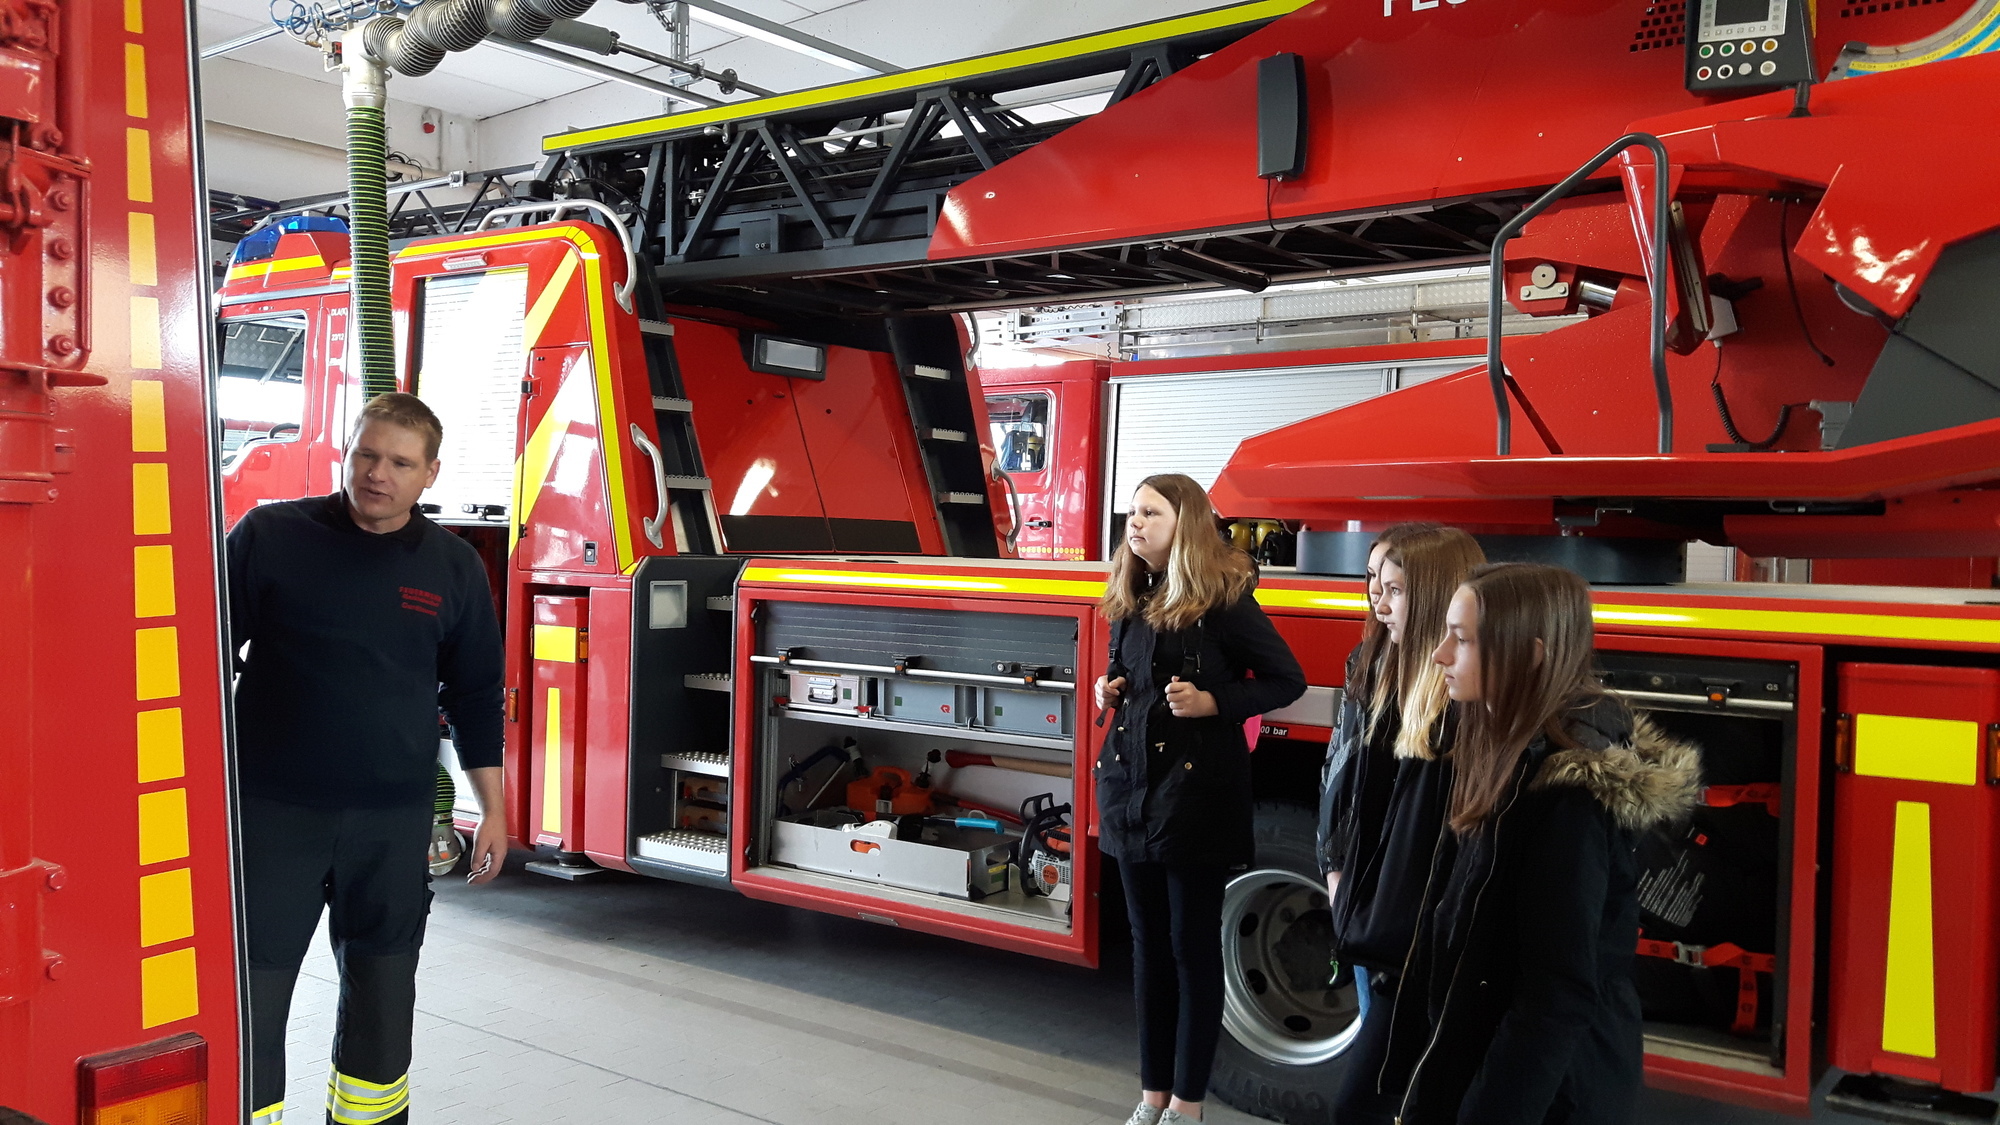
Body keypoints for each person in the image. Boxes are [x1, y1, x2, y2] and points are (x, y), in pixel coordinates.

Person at [228, 393, 508, 1125]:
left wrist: (496, 813)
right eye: (366, 453)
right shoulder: (269, 535)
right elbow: (197, 659)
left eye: (399, 462)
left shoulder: (452, 567)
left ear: (430, 474)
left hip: (390, 825)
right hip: (270, 815)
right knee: (249, 998)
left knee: (383, 1004)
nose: (377, 472)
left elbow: (476, 696)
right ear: (346, 451)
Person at [1381, 563, 1700, 1124]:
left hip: (1549, 1096)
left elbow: (1554, 997)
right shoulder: (1506, 748)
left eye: (1461, 639)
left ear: (1530, 655)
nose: (1439, 657)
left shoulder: (1567, 798)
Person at [1093, 474, 1307, 1125]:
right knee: (1147, 949)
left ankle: (1187, 1106)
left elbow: (1285, 679)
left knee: (1190, 948)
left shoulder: (1224, 600)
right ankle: (1151, 1097)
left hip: (1195, 800)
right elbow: (1121, 666)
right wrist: (1111, 687)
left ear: (1184, 521)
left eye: (1150, 512)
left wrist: (1215, 701)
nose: (1135, 522)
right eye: (1132, 511)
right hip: (1131, 796)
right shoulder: (1130, 594)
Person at [1315, 523, 1483, 1124]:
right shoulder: (1370, 661)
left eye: (1394, 589)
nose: (1377, 604)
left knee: (1376, 1095)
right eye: (1371, 585)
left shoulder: (1463, 694)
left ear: (1437, 594)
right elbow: (1339, 780)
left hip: (1421, 932)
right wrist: (1334, 869)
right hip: (1367, 907)